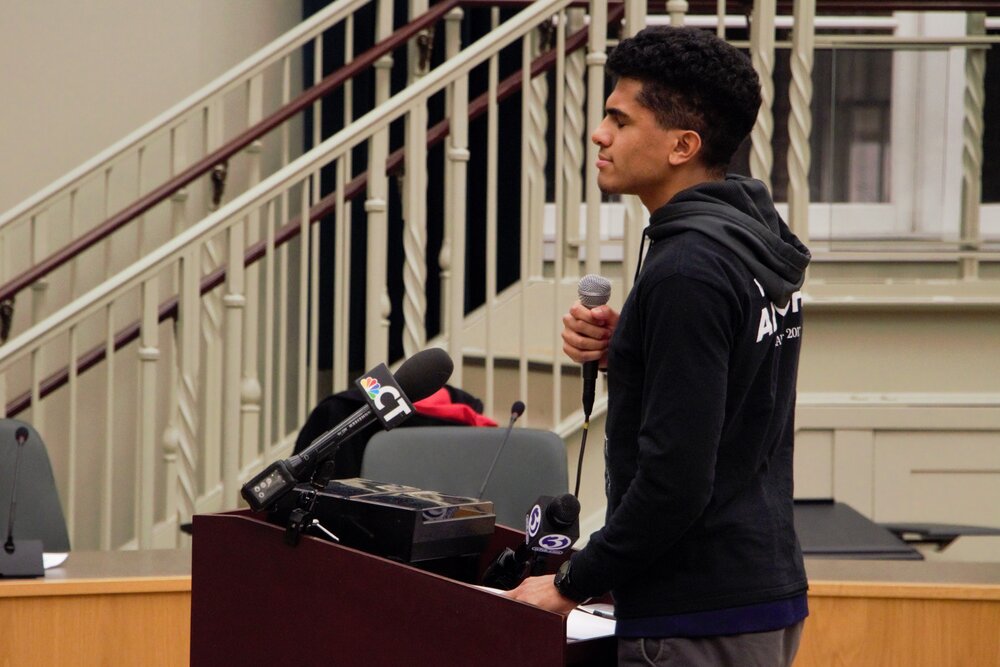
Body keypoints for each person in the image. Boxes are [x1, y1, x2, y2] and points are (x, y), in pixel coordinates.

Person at [506, 26, 812, 667]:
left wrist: (570, 584)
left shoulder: (688, 268)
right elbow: (735, 392)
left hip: (696, 614)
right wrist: (636, 350)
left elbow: (675, 483)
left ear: (683, 145)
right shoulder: (749, 241)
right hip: (758, 589)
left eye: (619, 119)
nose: (599, 133)